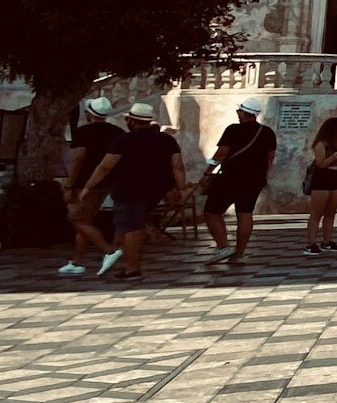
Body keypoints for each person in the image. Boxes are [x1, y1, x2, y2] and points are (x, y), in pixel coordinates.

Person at [85, 103, 184, 282]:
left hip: (129, 189)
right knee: (125, 226)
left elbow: (105, 166)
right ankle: (122, 262)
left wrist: (88, 186)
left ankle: (133, 268)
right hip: (155, 189)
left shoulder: (124, 140)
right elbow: (177, 166)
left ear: (132, 120)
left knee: (132, 228)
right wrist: (180, 189)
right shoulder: (166, 140)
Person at [202, 99, 276, 264]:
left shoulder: (233, 130)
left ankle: (223, 246)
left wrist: (208, 173)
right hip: (254, 179)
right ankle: (240, 252)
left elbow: (221, 153)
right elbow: (270, 157)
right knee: (245, 213)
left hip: (231, 177)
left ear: (244, 112)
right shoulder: (267, 132)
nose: (238, 114)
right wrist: (264, 175)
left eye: (240, 111)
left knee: (212, 211)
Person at [60, 96, 124, 276]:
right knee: (85, 220)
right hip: (109, 181)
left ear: (89, 114)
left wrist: (69, 183)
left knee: (75, 219)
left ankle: (109, 251)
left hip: (87, 182)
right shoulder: (117, 131)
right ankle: (77, 261)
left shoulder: (84, 132)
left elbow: (78, 159)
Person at [302, 116, 337, 255]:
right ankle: (311, 243)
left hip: (336, 178)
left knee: (331, 212)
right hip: (322, 178)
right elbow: (321, 163)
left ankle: (327, 241)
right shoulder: (321, 144)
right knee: (317, 213)